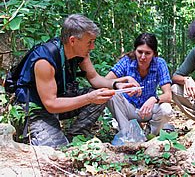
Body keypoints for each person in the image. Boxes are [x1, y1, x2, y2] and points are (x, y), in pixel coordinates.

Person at [14, 14, 135, 148]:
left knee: (101, 95)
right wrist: (89, 98)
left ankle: (75, 137)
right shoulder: (44, 61)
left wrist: (117, 84)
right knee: (57, 150)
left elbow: (94, 78)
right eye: (89, 42)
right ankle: (39, 135)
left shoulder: (80, 54)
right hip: (35, 108)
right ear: (73, 41)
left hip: (59, 100)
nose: (92, 47)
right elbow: (51, 104)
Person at [106, 32, 173, 136]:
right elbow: (105, 82)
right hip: (128, 107)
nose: (142, 57)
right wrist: (126, 80)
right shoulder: (126, 62)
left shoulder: (160, 63)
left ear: (154, 54)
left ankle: (151, 135)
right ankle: (127, 133)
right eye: (140, 52)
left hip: (148, 109)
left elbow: (168, 95)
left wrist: (154, 99)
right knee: (110, 94)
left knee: (166, 109)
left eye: (147, 53)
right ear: (135, 51)